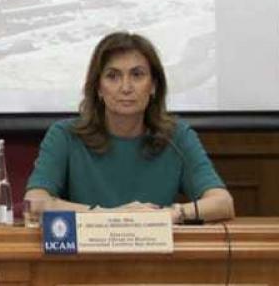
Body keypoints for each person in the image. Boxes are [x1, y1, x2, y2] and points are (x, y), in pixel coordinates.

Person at [24, 31, 234, 223]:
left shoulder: (177, 136)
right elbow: (34, 203)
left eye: (137, 75)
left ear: (153, 86)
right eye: (113, 76)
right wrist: (110, 216)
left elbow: (222, 203)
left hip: (157, 260)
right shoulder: (65, 136)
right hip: (85, 260)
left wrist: (171, 214)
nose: (125, 87)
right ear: (98, 87)